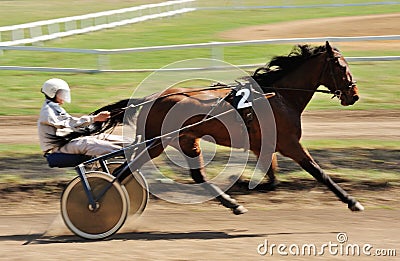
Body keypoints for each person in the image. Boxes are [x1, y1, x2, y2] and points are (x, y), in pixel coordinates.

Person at [38, 78, 124, 157]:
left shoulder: (54, 107)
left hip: (66, 143)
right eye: (62, 93)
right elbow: (69, 122)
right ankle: (125, 153)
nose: (64, 96)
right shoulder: (48, 110)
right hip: (57, 148)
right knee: (90, 143)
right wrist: (94, 118)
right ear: (52, 93)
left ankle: (131, 145)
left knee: (102, 137)